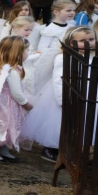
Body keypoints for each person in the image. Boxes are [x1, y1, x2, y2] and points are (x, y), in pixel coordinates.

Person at [22, 26, 96, 163]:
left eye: (91, 39)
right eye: (82, 40)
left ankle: (72, 148)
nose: (88, 43)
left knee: (81, 122)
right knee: (60, 123)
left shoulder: (93, 57)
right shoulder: (63, 58)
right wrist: (63, 101)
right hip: (67, 96)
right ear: (70, 42)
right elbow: (58, 81)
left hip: (87, 95)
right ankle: (51, 148)